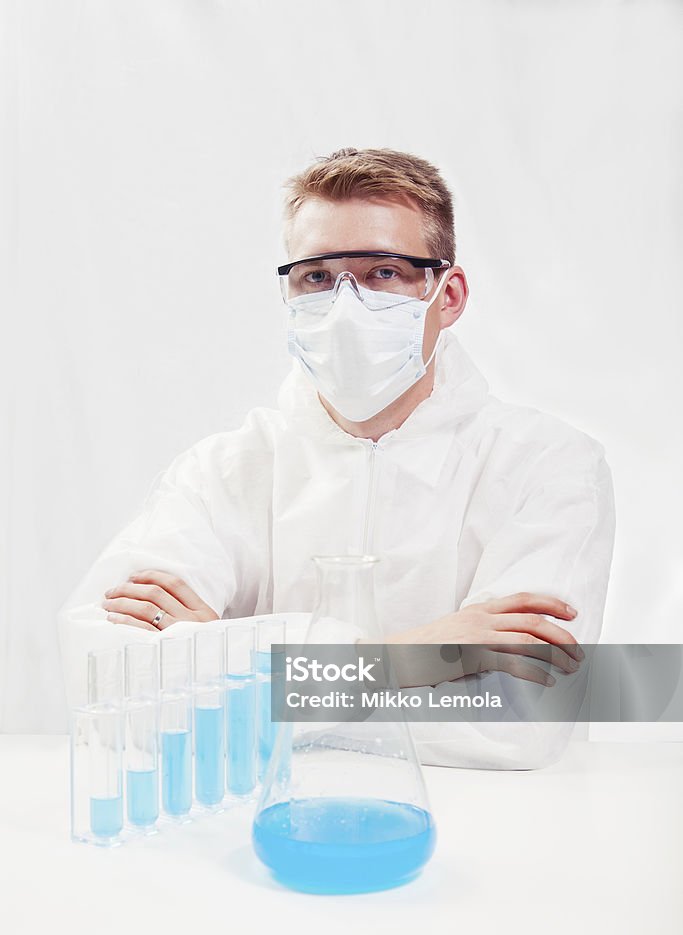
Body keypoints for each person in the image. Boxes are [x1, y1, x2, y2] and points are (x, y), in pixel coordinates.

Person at [59, 147, 615, 768]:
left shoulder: (548, 465)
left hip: (493, 836)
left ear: (448, 294)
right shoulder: (222, 472)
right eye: (317, 277)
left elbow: (516, 721)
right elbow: (111, 686)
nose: (346, 304)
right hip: (253, 837)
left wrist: (223, 672)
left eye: (384, 273)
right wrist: (412, 655)